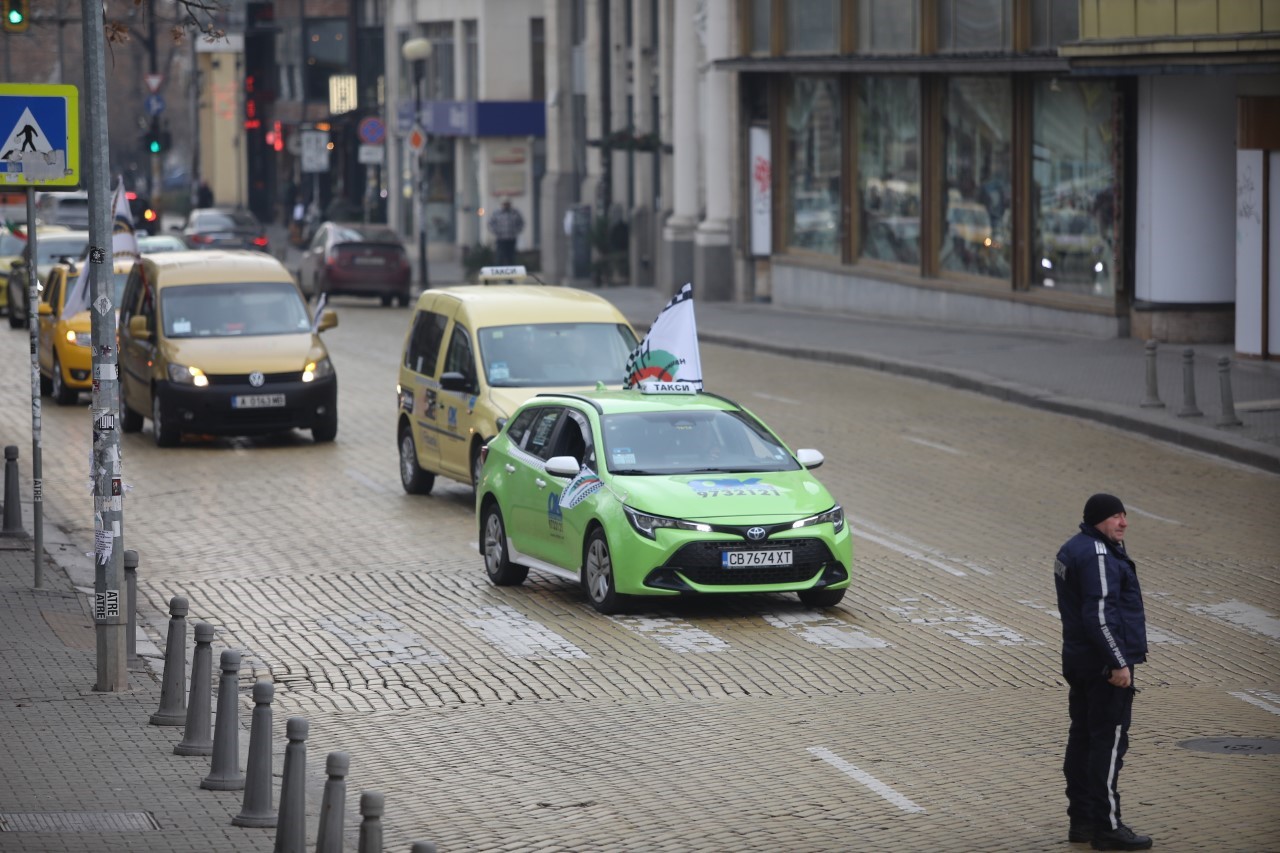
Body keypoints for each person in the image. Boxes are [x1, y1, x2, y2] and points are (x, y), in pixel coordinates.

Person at [1054, 494, 1151, 851]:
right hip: (1101, 665)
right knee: (1107, 745)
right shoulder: (1097, 556)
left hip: (1079, 660)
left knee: (1082, 739)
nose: (1123, 523)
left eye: (1125, 515)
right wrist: (1117, 662)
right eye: (1115, 516)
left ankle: (1081, 821)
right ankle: (1107, 826)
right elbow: (1098, 616)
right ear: (1097, 520)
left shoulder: (1074, 548)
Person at [487, 199, 524, 266]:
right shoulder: (496, 213)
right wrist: (497, 231)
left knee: (511, 257)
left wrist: (516, 231)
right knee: (500, 256)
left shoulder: (515, 212)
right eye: (505, 204)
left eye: (507, 204)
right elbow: (490, 223)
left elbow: (521, 223)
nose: (506, 205)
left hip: (511, 239)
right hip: (501, 239)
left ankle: (511, 273)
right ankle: (498, 273)